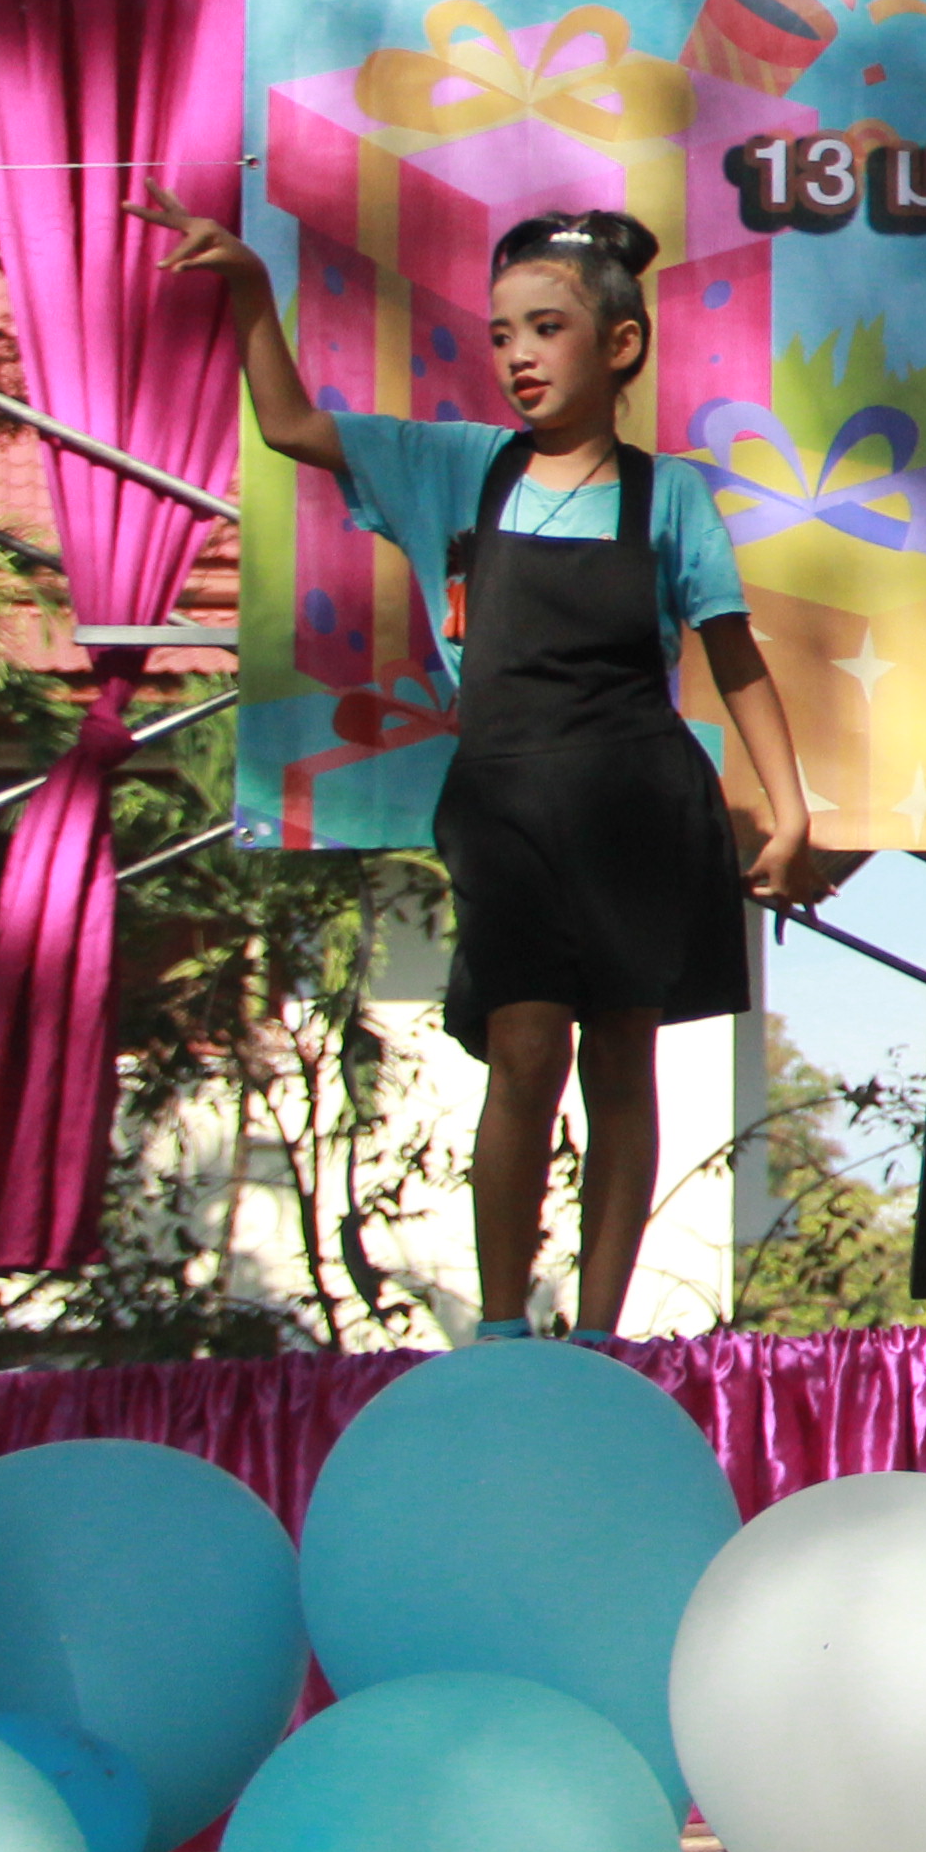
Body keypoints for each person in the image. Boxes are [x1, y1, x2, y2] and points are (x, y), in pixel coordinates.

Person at [149, 191, 807, 1341]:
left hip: (638, 806)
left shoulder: (669, 494)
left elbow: (733, 654)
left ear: (621, 345)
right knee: (523, 1042)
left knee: (622, 1059)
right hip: (503, 802)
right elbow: (290, 425)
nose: (518, 356)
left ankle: (599, 1330)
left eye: (546, 328)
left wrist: (789, 812)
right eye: (502, 334)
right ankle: (503, 1328)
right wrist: (251, 287)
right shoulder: (453, 468)